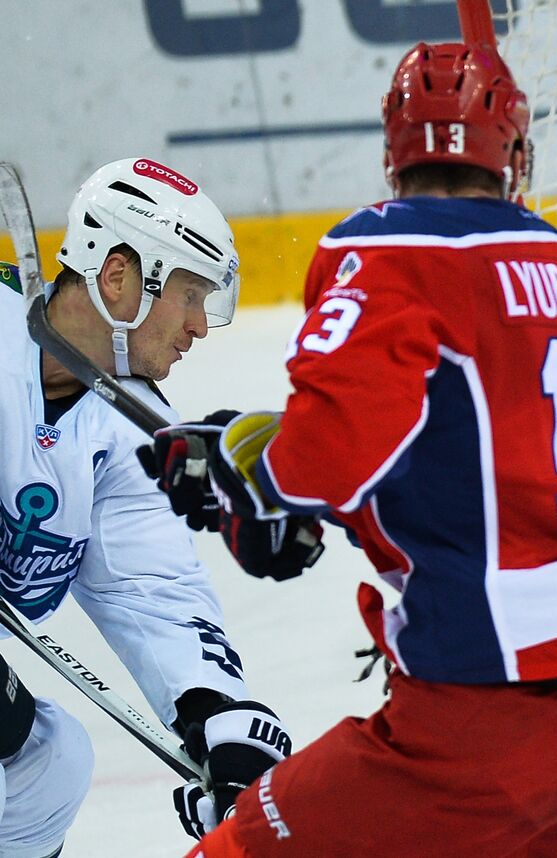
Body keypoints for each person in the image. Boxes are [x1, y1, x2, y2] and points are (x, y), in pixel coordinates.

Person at [142, 40, 557, 857]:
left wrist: (246, 480)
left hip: (489, 708)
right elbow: (468, 451)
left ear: (391, 154)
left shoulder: (382, 251)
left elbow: (328, 458)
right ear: (512, 154)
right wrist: (284, 480)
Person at [0, 158, 290, 857]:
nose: (200, 325)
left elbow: (151, 587)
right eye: (189, 295)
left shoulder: (128, 428)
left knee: (47, 766)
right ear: (119, 275)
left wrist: (215, 714)